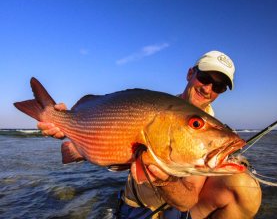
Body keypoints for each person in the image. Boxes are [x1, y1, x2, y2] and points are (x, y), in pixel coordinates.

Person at [38, 51, 261, 219]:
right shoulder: (162, 108)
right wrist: (66, 125)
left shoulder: (211, 129)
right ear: (190, 73)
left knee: (246, 189)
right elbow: (103, 138)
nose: (208, 88)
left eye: (219, 86)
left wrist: (163, 179)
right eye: (204, 77)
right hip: (137, 206)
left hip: (178, 208)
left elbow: (187, 200)